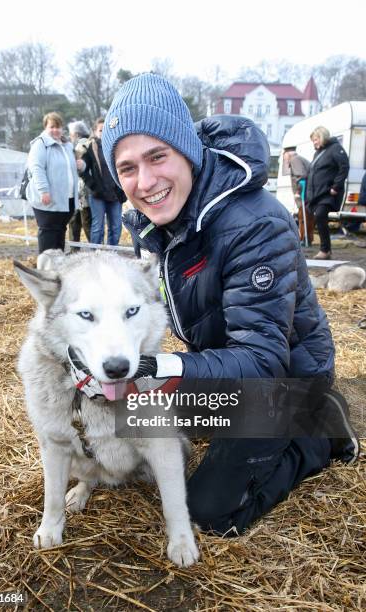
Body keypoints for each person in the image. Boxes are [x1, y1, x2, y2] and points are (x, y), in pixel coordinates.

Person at [99, 73, 359, 537]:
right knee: (128, 414)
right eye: (127, 167)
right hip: (222, 367)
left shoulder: (254, 223)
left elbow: (262, 360)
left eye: (158, 156)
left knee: (210, 511)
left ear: (187, 150)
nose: (145, 181)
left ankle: (322, 428)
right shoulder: (151, 222)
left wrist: (163, 369)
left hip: (282, 381)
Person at [27, 112, 80, 254]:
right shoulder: (40, 144)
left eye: (58, 127)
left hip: (66, 199)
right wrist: (44, 191)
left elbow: (71, 168)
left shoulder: (67, 145)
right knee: (48, 233)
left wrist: (81, 165)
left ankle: (57, 264)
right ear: (45, 128)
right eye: (52, 127)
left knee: (60, 232)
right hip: (48, 199)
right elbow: (36, 169)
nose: (55, 130)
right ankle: (45, 267)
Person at [305, 126, 349, 260]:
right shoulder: (318, 153)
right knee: (316, 217)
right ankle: (325, 249)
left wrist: (336, 186)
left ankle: (325, 250)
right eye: (313, 140)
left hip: (328, 193)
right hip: (317, 194)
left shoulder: (335, 149)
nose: (314, 142)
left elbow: (344, 167)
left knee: (320, 215)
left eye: (316, 139)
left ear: (323, 137)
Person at [81, 118, 125, 246]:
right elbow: (82, 170)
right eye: (100, 130)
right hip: (97, 195)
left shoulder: (116, 147)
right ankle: (96, 255)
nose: (103, 132)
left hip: (115, 193)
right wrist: (93, 185)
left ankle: (112, 256)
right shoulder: (90, 148)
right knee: (98, 228)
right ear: (95, 132)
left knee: (116, 227)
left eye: (105, 130)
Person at [67, 121, 92, 247]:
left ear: (76, 134)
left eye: (71, 135)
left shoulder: (81, 145)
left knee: (82, 221)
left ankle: (76, 248)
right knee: (80, 221)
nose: (70, 137)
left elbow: (76, 165)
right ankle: (75, 248)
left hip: (82, 191)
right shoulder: (89, 142)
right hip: (83, 191)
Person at [283, 148, 313, 245]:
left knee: (303, 216)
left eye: (285, 158)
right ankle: (306, 238)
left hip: (304, 194)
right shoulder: (298, 159)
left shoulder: (295, 160)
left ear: (289, 155)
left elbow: (301, 176)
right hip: (307, 192)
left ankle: (304, 238)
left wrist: (298, 192)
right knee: (306, 216)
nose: (285, 161)